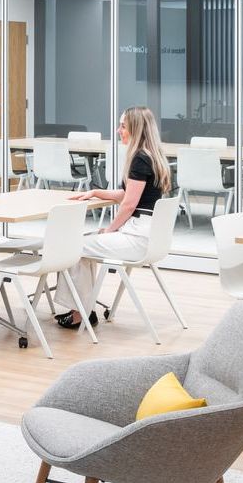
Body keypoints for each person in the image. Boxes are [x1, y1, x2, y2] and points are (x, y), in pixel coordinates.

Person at [57, 105, 172, 328]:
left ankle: (81, 312)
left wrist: (109, 229)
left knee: (74, 245)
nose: (119, 130)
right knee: (83, 243)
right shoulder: (152, 156)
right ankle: (82, 308)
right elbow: (128, 194)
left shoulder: (139, 159)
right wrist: (96, 192)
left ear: (136, 129)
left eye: (123, 126)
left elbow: (129, 204)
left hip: (137, 237)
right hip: (150, 235)